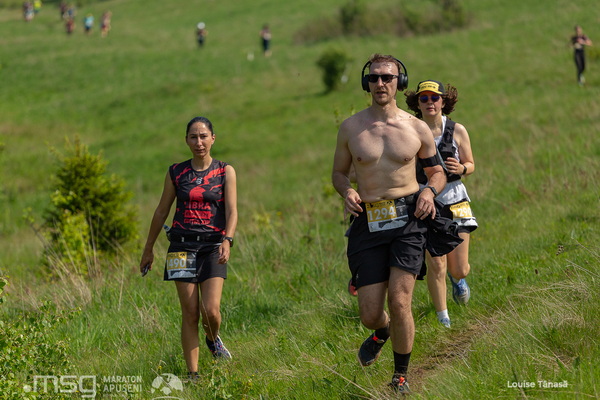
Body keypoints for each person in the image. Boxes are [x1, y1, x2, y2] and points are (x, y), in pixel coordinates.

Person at [332, 54, 448, 393]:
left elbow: (437, 172)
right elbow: (338, 173)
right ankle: (381, 331)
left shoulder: (416, 127)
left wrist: (429, 191)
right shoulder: (351, 128)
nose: (380, 83)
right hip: (368, 221)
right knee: (370, 314)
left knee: (400, 301)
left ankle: (400, 376)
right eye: (374, 78)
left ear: (400, 82)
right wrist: (347, 190)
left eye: (388, 77)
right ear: (366, 83)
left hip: (409, 219)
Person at [140, 116, 238, 380]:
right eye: (193, 137)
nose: (199, 142)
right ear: (186, 141)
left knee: (211, 311)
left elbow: (232, 211)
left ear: (213, 138)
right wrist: (148, 248)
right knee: (190, 313)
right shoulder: (176, 172)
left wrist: (228, 240)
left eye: (203, 136)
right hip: (181, 248)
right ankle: (193, 375)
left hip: (213, 247)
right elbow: (161, 211)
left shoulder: (225, 171)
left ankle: (212, 339)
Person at [405, 80, 477, 328]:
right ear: (417, 103)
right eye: (423, 98)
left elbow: (471, 164)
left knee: (459, 268)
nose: (430, 103)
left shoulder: (457, 130)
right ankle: (443, 318)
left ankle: (458, 281)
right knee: (436, 262)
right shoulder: (410, 131)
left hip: (456, 200)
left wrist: (462, 168)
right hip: (426, 202)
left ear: (444, 102)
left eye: (434, 98)